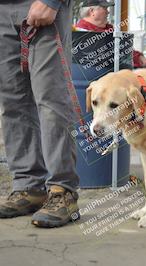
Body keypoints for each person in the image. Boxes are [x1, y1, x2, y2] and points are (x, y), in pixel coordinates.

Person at [0, 0, 80, 228]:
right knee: (12, 102)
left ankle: (63, 191)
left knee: (51, 100)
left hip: (41, 6)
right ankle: (28, 187)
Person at [75, 0, 146, 68]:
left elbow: (123, 50)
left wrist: (138, 56)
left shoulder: (110, 29)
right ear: (92, 11)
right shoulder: (80, 31)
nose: (108, 12)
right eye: (104, 8)